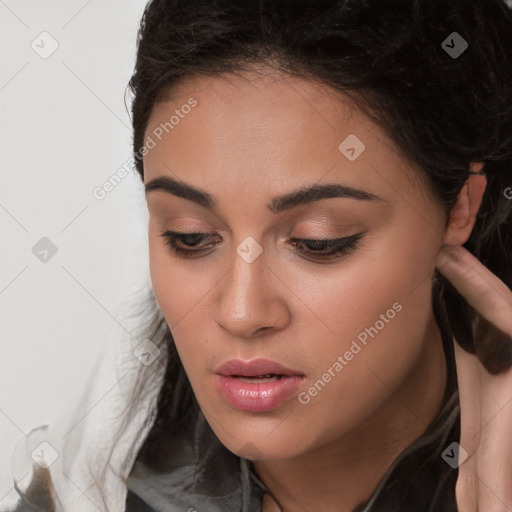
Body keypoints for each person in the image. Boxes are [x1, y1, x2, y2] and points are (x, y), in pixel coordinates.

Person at [4, 0, 512, 511]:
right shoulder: (80, 487)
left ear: (460, 207)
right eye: (191, 236)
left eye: (319, 241)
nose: (241, 313)